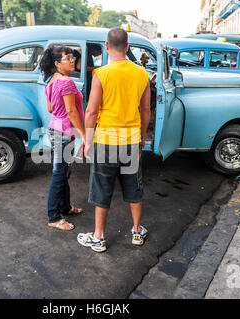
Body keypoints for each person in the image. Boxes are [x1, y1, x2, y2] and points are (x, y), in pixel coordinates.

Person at [77, 28, 151, 252]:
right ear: (127, 47)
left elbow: (91, 112)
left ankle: (99, 237)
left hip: (106, 139)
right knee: (133, 186)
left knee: (102, 187)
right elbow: (146, 110)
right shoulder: (142, 74)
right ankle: (137, 231)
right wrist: (141, 138)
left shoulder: (101, 74)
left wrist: (88, 141)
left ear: (106, 47)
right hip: (131, 139)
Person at [39, 45, 86, 231]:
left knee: (64, 172)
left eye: (72, 57)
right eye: (67, 58)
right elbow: (71, 110)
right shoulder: (65, 82)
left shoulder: (51, 80)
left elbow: (51, 109)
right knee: (59, 173)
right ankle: (54, 216)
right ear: (58, 63)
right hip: (64, 133)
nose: (72, 59)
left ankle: (65, 207)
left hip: (55, 129)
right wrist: (83, 133)